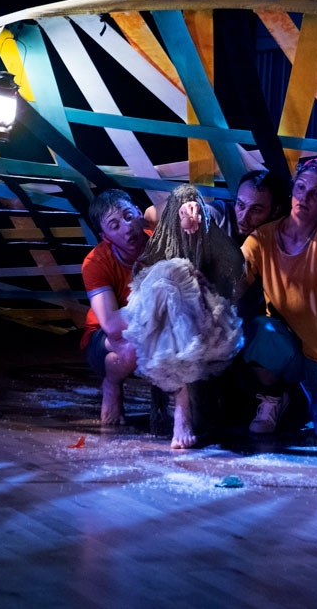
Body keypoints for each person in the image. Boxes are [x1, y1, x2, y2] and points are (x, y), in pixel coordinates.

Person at [239, 156, 317, 444]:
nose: (304, 198)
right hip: (287, 350)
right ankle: (275, 397)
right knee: (260, 331)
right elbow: (233, 281)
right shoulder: (263, 237)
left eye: (316, 193)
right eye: (300, 187)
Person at [124, 185, 244, 448]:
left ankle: (186, 410)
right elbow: (144, 283)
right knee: (170, 278)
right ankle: (181, 409)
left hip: (212, 327)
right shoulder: (160, 241)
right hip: (167, 334)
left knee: (180, 281)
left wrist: (208, 286)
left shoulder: (214, 236)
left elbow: (235, 276)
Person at [79, 189, 149, 427]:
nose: (127, 228)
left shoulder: (162, 246)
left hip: (151, 327)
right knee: (132, 347)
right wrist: (157, 301)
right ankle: (111, 383)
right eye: (114, 225)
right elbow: (111, 325)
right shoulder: (95, 262)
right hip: (104, 340)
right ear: (104, 236)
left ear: (139, 213)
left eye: (129, 217)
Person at [144, 170, 288, 245]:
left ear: (275, 211)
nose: (244, 217)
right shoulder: (220, 214)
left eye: (256, 210)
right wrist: (184, 205)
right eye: (240, 205)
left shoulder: (282, 233)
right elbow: (149, 216)